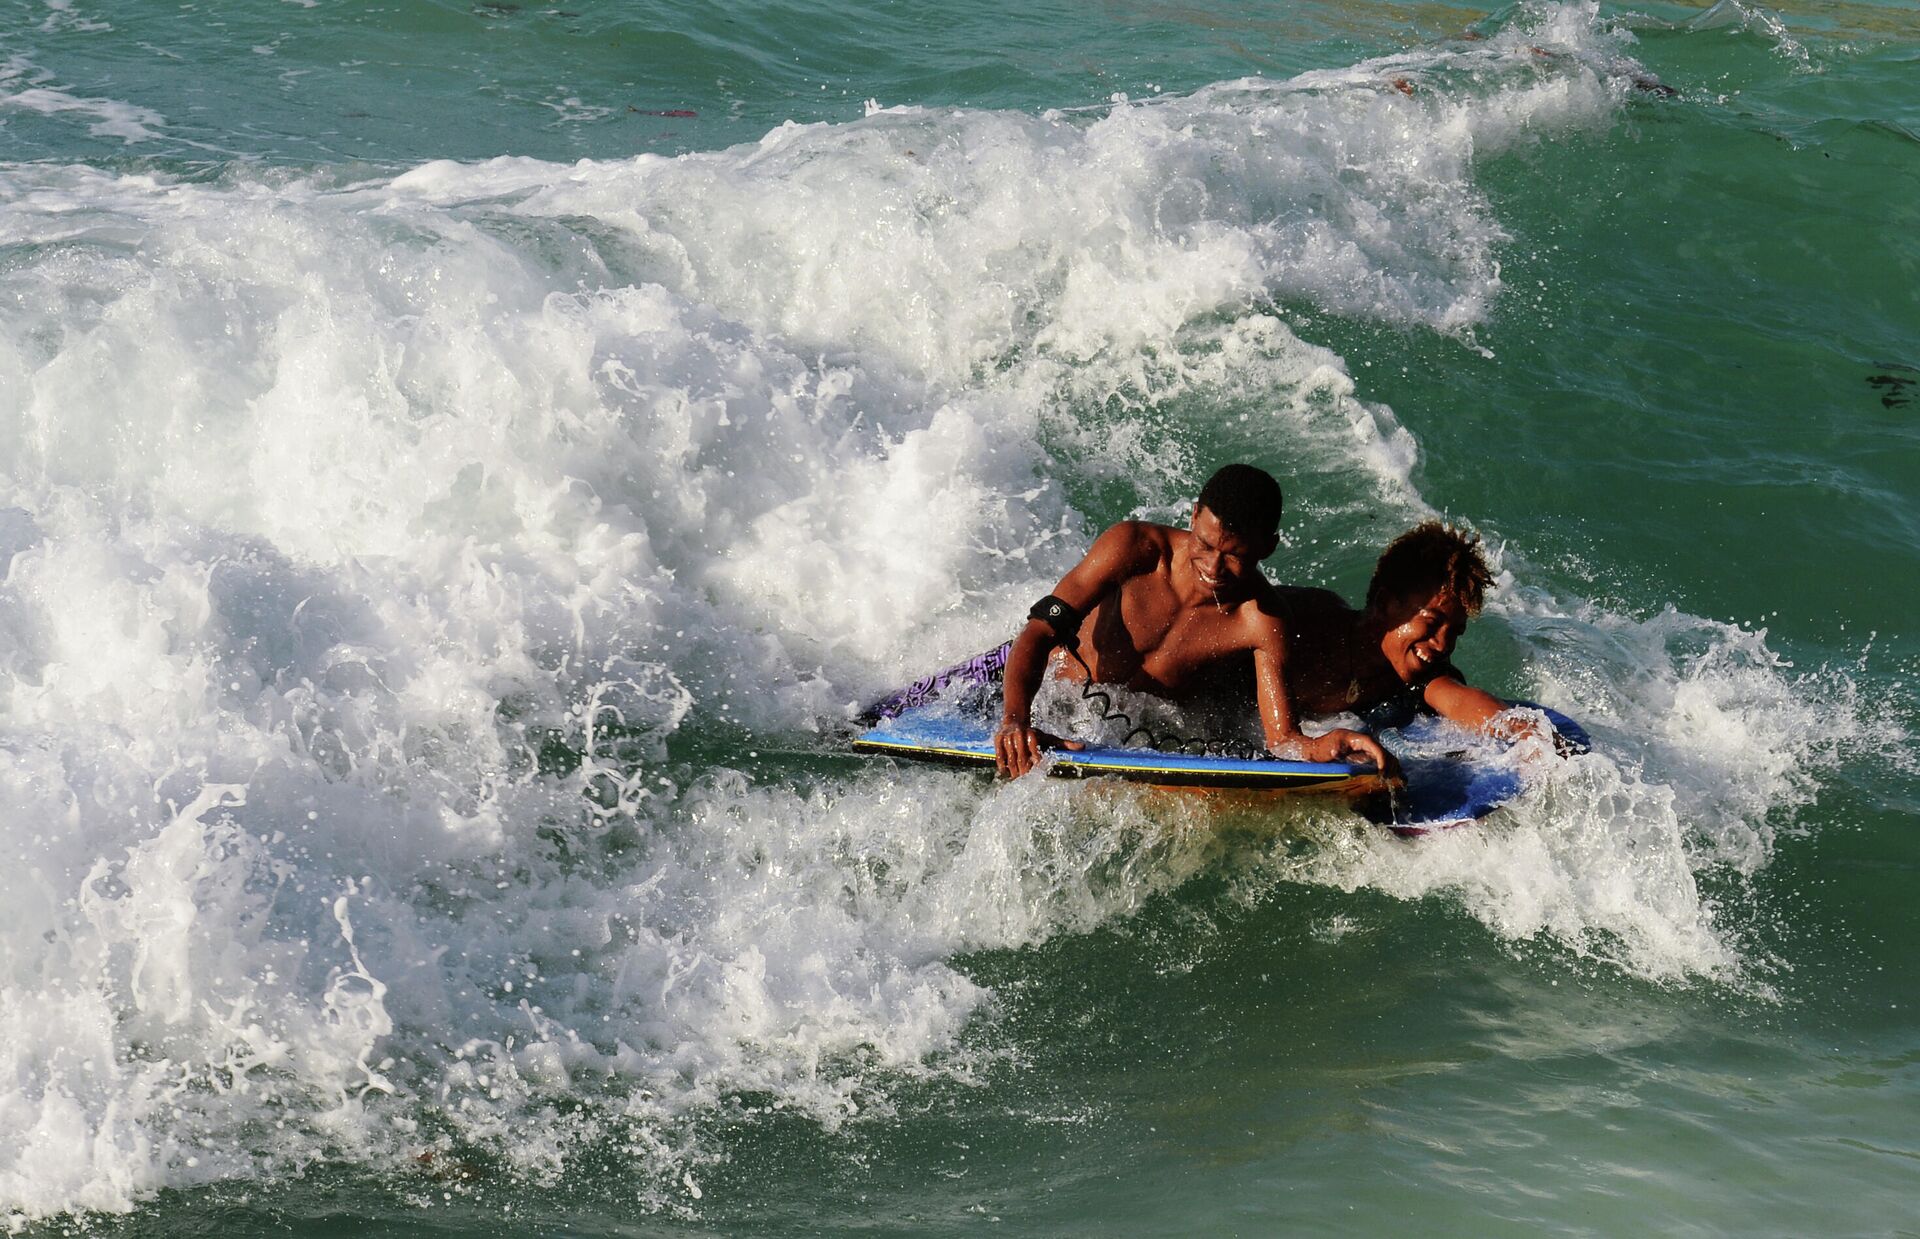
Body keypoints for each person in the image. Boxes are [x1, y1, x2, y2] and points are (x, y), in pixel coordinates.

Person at [993, 464, 1390, 778]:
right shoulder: (1135, 548)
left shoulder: (1261, 622)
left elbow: (1283, 739)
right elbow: (1041, 629)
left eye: (1234, 556)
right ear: (1195, 515)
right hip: (1039, 691)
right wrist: (1015, 720)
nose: (1213, 567)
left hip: (1121, 734)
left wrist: (1327, 745)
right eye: (1205, 544)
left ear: (1268, 546)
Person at [1262, 520, 1547, 741]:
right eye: (1432, 623)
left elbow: (1458, 699)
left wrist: (1527, 733)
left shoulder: (1413, 674)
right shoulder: (1303, 621)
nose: (1443, 644)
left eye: (1455, 632)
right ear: (1385, 603)